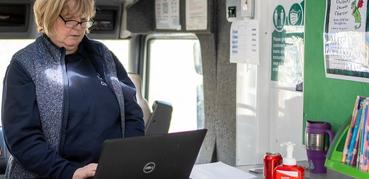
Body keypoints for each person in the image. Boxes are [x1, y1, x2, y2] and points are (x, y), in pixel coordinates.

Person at [1, 0, 145, 178]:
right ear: (48, 16)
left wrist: (126, 158)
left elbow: (132, 112)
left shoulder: (103, 55)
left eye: (83, 20)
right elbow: (22, 138)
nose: (77, 27)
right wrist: (70, 172)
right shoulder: (24, 64)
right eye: (69, 19)